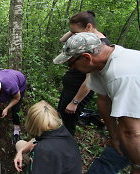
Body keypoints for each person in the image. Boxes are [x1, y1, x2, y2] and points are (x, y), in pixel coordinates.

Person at [54, 32, 140, 174]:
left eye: (71, 64)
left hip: (134, 128)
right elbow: (103, 100)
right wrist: (114, 135)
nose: (71, 68)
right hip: (131, 126)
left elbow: (133, 132)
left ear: (87, 57)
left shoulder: (120, 75)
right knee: (107, 162)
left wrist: (137, 167)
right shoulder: (101, 64)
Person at [13, 100, 82, 173]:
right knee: (20, 144)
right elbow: (36, 140)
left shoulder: (42, 149)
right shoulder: (62, 132)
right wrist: (20, 152)